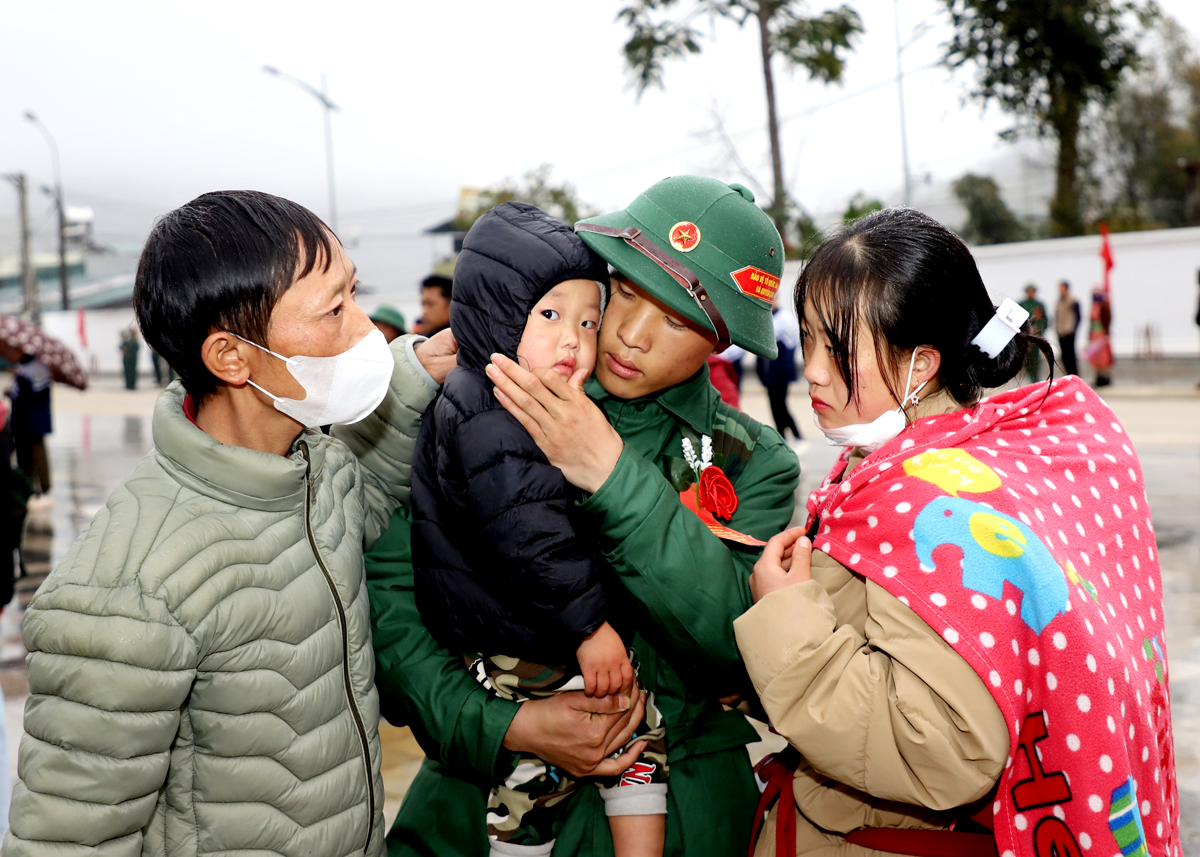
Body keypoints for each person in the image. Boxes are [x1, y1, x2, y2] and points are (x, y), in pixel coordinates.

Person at [4, 190, 458, 856]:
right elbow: (69, 838)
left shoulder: (308, 468)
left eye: (353, 295)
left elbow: (353, 502)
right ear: (231, 357)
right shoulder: (126, 591)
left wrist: (417, 373)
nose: (366, 330)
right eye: (334, 310)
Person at [357, 176, 800, 856]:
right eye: (623, 289)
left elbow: (737, 642)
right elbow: (393, 595)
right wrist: (505, 722)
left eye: (678, 319)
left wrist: (611, 474)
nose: (631, 333)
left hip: (679, 808)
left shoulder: (752, 461)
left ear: (720, 342)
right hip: (480, 795)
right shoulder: (494, 393)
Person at [734, 208, 1178, 856]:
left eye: (838, 348)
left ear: (921, 365)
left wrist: (785, 615)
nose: (815, 371)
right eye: (807, 340)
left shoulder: (914, 497)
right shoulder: (978, 447)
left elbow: (944, 746)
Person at [413, 202, 668, 857]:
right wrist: (591, 630)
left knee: (579, 758)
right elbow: (529, 536)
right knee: (602, 743)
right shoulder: (492, 413)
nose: (575, 339)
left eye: (589, 319)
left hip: (524, 624)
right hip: (527, 636)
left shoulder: (509, 400)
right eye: (550, 315)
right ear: (496, 311)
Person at [6, 352, 53, 497]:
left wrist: (19, 375)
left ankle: (42, 487)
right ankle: (28, 486)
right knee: (23, 454)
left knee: (36, 454)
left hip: (34, 420)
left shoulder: (39, 368)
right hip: (22, 420)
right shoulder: (24, 366)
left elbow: (34, 391)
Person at [755, 298, 801, 441]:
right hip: (770, 373)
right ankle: (792, 433)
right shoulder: (771, 318)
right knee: (778, 405)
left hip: (780, 372)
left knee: (778, 405)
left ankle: (788, 434)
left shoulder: (783, 319)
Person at [1018, 283, 1047, 381]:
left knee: (1035, 360)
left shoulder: (1039, 305)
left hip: (1035, 337)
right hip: (1024, 337)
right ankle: (1031, 378)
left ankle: (1035, 379)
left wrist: (1038, 328)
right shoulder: (1021, 304)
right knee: (1025, 360)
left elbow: (1044, 321)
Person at [1086, 288, 1114, 387]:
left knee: (1104, 358)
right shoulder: (1093, 307)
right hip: (1094, 335)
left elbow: (1107, 320)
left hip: (1102, 335)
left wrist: (1106, 334)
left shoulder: (1104, 307)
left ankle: (1105, 378)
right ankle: (1098, 377)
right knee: (1096, 358)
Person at [1054, 279, 1081, 376]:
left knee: (1071, 355)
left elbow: (1078, 316)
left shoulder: (1072, 301)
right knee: (1064, 355)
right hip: (1061, 331)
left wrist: (1073, 329)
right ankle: (1067, 374)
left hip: (1069, 331)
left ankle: (1074, 374)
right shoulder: (1058, 301)